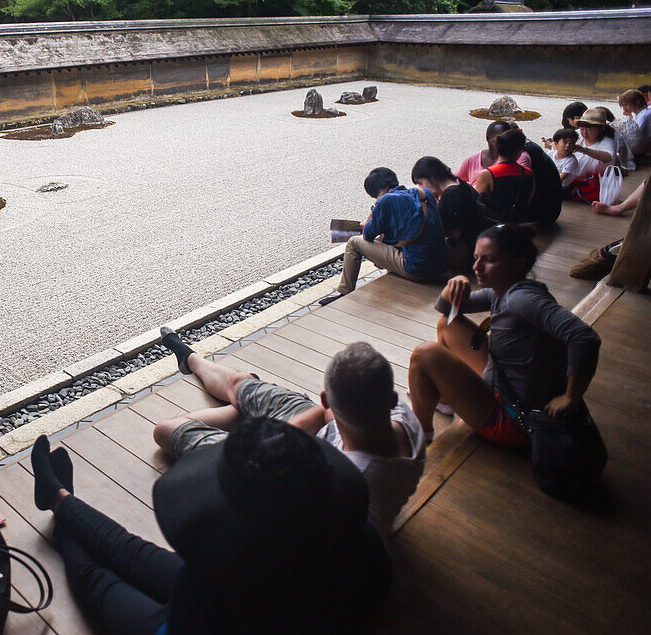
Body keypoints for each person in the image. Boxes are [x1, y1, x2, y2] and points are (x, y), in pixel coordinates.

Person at [30, 416, 390, 634]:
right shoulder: (360, 541)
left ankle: (59, 504)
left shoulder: (211, 580)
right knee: (133, 551)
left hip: (217, 619)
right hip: (276, 607)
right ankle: (61, 499)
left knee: (102, 579)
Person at [153, 329, 425, 541]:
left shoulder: (352, 488)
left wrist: (265, 445)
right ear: (392, 398)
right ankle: (192, 360)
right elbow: (325, 414)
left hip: (289, 461)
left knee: (166, 428)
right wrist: (279, 432)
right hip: (308, 432)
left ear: (327, 399)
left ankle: (242, 412)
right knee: (240, 386)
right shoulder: (400, 415)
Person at [408, 224, 601, 447]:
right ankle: (446, 397)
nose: (477, 267)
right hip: (503, 382)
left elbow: (584, 337)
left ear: (518, 263)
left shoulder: (522, 300)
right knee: (448, 325)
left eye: (489, 260)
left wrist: (571, 396)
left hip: (513, 417)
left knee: (424, 354)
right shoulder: (500, 290)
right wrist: (453, 285)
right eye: (476, 257)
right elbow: (446, 309)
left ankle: (420, 435)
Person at [319, 167, 447, 304]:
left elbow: (367, 236)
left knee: (353, 243)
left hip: (418, 270)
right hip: (441, 266)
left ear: (379, 190)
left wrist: (375, 209)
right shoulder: (423, 194)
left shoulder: (385, 201)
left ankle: (344, 290)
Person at [411, 156, 482, 273]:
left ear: (432, 177)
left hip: (466, 254)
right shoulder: (462, 185)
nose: (421, 187)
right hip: (475, 246)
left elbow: (453, 232)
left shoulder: (450, 196)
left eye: (421, 183)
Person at [474, 128, 534, 225]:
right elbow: (527, 201)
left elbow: (478, 206)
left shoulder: (487, 174)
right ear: (519, 150)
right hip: (518, 226)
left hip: (492, 228)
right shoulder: (528, 173)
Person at [455, 121, 532, 185]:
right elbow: (454, 180)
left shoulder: (520, 158)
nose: (503, 142)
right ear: (488, 138)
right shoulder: (471, 160)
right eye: (499, 139)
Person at [573, 107, 619, 176]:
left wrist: (585, 150)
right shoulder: (578, 136)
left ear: (600, 128)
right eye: (582, 129)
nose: (585, 133)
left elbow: (609, 157)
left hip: (595, 182)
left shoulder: (607, 142)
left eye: (589, 130)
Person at [619, 88, 651, 156]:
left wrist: (628, 117)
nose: (624, 108)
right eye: (623, 106)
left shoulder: (645, 115)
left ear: (637, 102)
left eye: (626, 105)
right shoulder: (640, 114)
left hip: (645, 150)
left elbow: (634, 135)